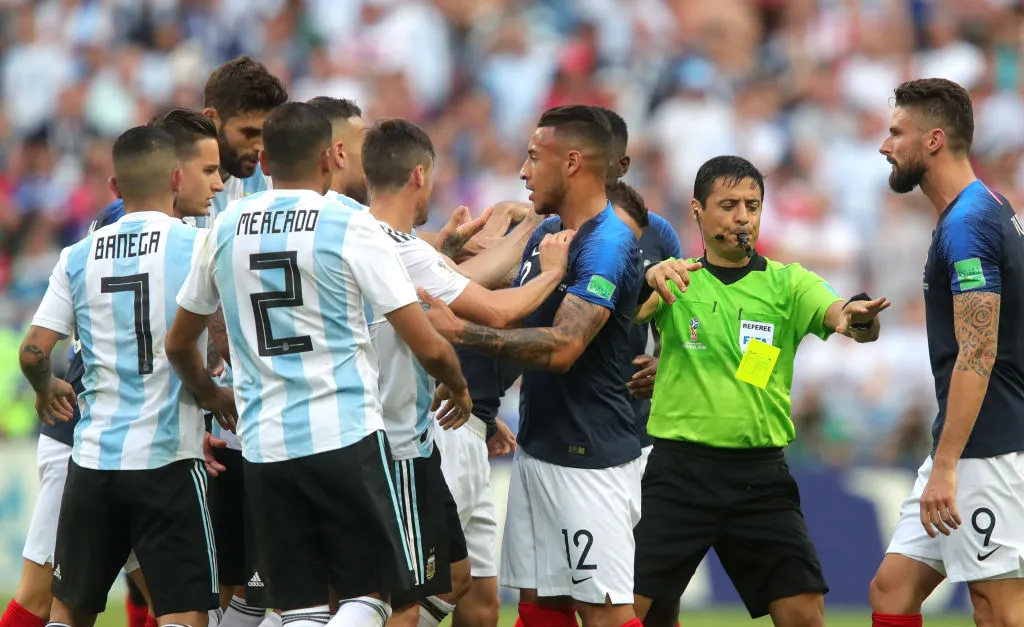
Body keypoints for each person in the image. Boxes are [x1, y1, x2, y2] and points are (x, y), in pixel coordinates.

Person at [166, 102, 470, 627]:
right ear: (332, 157)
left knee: (300, 607)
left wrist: (211, 394)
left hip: (264, 445)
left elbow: (178, 342)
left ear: (264, 159)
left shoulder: (224, 227)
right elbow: (428, 343)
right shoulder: (350, 223)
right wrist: (457, 386)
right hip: (344, 435)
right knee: (376, 596)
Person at [631, 155, 889, 627]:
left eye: (752, 204)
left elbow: (840, 313)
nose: (742, 216)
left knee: (805, 614)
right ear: (697, 209)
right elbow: (616, 318)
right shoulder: (676, 279)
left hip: (760, 478)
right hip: (678, 475)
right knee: (633, 613)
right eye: (728, 204)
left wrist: (858, 319)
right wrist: (645, 279)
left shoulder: (789, 284)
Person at [420, 105, 644, 627]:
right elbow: (467, 283)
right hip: (539, 448)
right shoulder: (546, 229)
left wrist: (461, 334)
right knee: (542, 609)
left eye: (533, 157)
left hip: (589, 459)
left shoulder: (607, 244)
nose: (522, 171)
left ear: (571, 163)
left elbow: (565, 346)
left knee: (605, 612)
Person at [0, 108, 225, 627]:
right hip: (168, 461)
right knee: (185, 613)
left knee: (68, 611)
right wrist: (215, 397)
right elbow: (213, 341)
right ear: (175, 178)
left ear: (115, 185)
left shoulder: (77, 254)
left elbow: (33, 350)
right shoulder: (199, 247)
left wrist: (44, 386)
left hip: (94, 461)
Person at [360, 118, 573, 627]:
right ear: (419, 175)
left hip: (470, 426)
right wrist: (538, 239)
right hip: (429, 430)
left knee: (479, 598)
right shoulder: (400, 246)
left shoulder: (398, 246)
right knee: (425, 589)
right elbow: (488, 305)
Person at [870, 78, 1024, 627]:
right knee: (892, 590)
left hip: (986, 446)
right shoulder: (987, 207)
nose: (885, 145)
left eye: (896, 133)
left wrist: (949, 465)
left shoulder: (968, 226)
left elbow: (977, 353)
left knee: (998, 608)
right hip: (967, 443)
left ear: (933, 140)